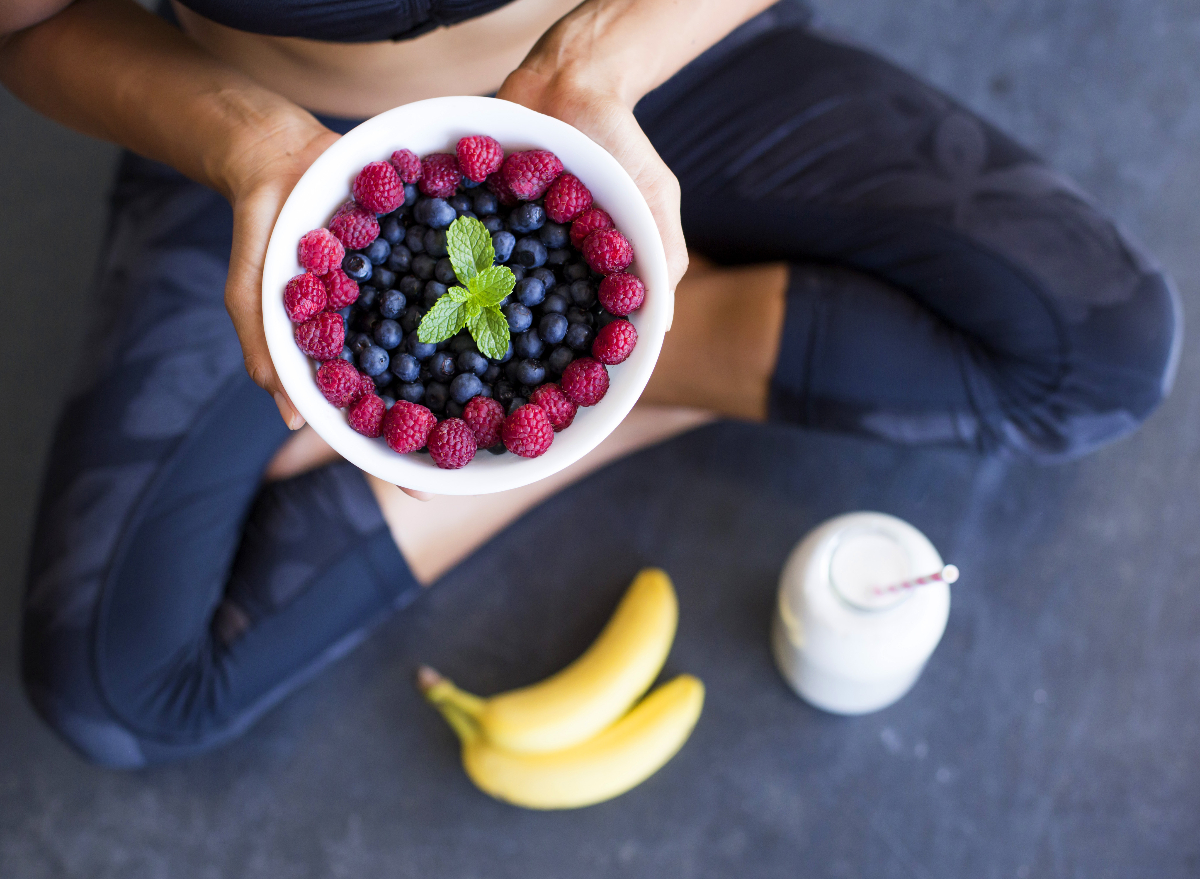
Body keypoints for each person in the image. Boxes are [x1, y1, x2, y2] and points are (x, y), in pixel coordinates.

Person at [2, 0, 1179, 768]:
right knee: (115, 692)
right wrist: (252, 142)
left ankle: (614, 372)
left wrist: (595, 59)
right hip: (277, 151)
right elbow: (29, 23)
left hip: (645, 59)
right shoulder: (262, 150)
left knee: (1103, 351)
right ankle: (623, 371)